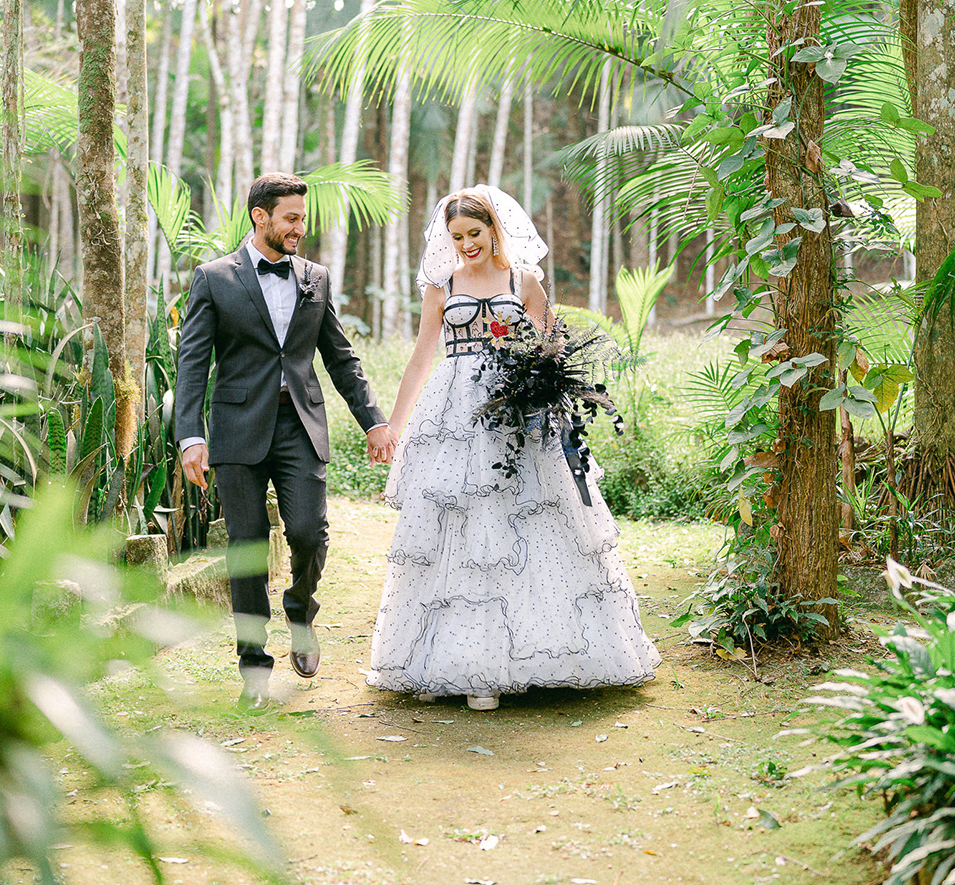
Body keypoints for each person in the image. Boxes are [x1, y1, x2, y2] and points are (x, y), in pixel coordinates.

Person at [368, 186, 660, 710]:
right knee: (463, 524)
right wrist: (394, 424)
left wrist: (541, 384)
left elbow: (554, 348)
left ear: (494, 229)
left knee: (531, 521)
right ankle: (459, 663)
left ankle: (539, 656)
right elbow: (419, 358)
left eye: (474, 234)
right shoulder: (442, 285)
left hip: (517, 415)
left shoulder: (524, 280)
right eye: (457, 237)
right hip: (456, 413)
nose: (466, 245)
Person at [175, 173, 397, 710]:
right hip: (236, 429)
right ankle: (253, 667)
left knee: (308, 532)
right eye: (291, 218)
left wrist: (373, 420)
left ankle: (301, 607)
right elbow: (193, 362)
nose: (300, 228)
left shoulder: (315, 278)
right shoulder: (213, 278)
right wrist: (189, 436)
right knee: (247, 550)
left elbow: (340, 357)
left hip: (300, 424)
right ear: (261, 216)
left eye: (303, 218)